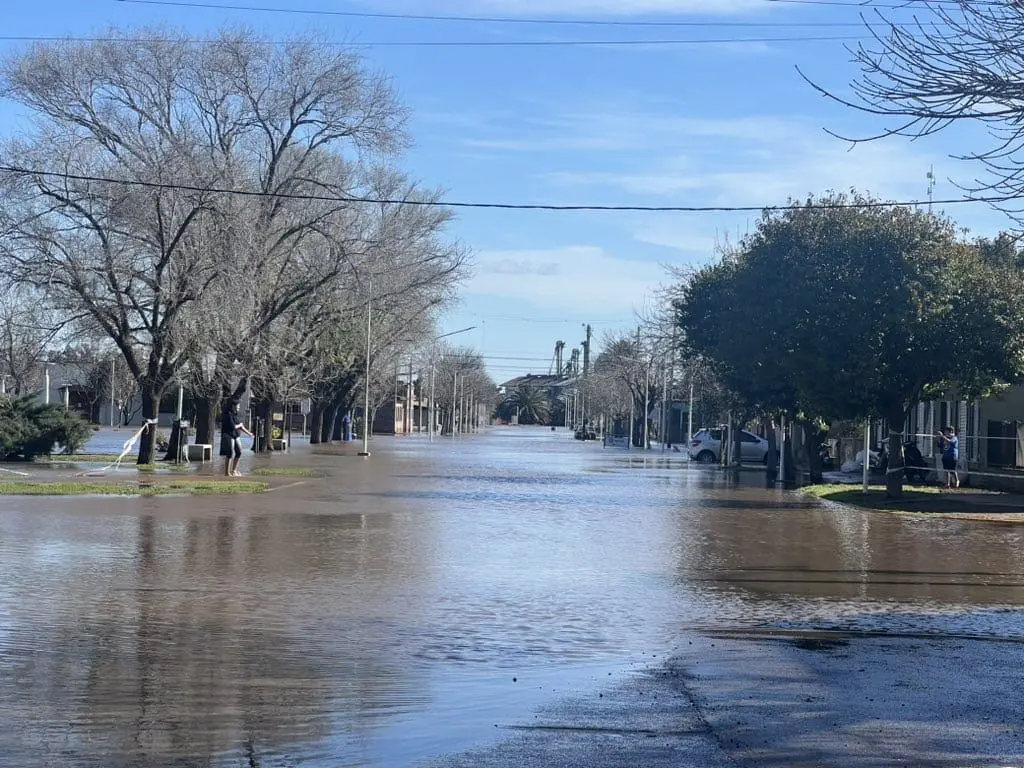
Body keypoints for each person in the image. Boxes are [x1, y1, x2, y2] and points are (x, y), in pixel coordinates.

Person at [221, 401, 254, 477]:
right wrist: (239, 425)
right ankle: (227, 472)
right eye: (238, 406)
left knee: (239, 452)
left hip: (236, 435)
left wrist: (249, 433)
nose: (239, 408)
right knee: (230, 453)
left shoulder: (236, 415)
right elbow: (233, 426)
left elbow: (241, 427)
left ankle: (234, 470)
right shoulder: (228, 414)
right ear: (233, 406)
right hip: (229, 435)